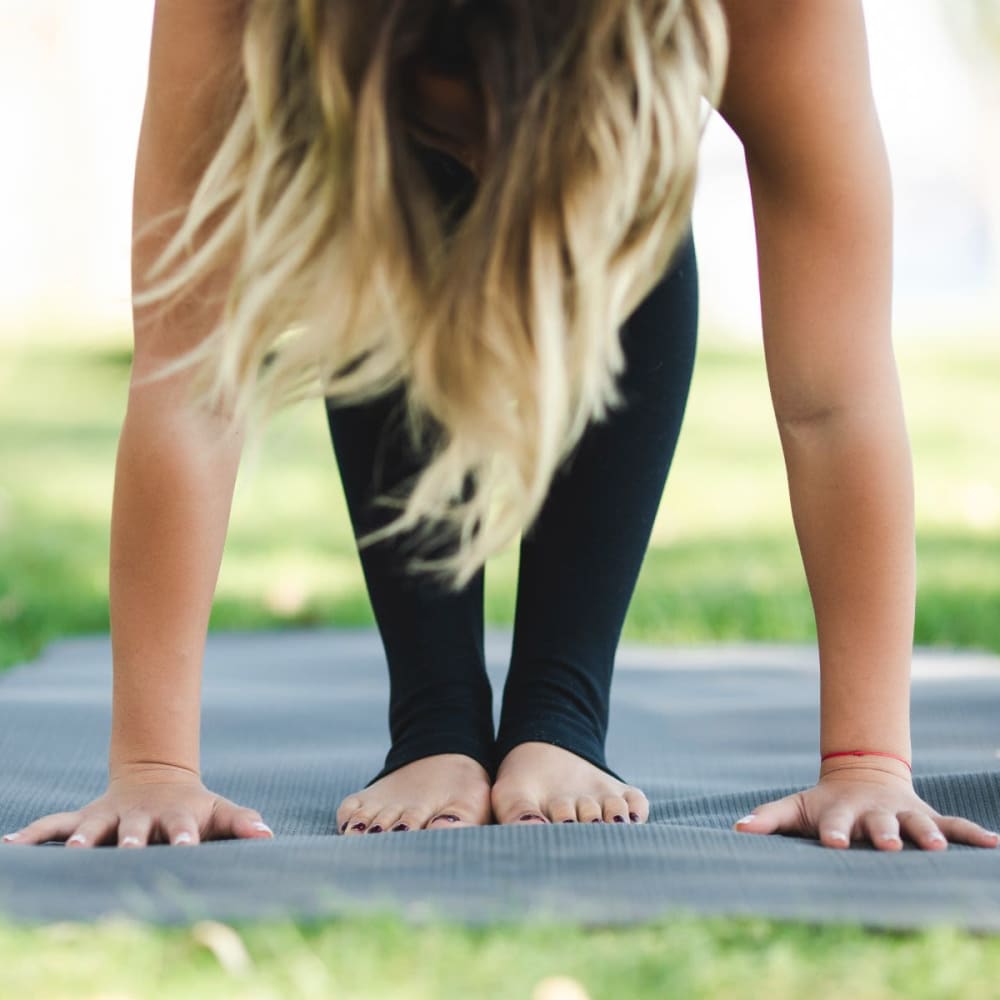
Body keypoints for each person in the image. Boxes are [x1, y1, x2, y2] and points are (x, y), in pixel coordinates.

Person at [3, 0, 997, 854]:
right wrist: (151, 764)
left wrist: (868, 758)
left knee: (591, 186)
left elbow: (833, 398)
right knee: (395, 196)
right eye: (452, 125)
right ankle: (434, 719)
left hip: (610, 84)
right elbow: (189, 378)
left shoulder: (767, 15)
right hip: (380, 76)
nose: (480, 169)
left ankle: (559, 712)